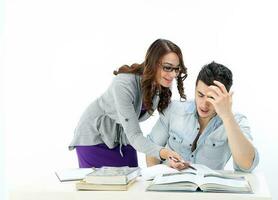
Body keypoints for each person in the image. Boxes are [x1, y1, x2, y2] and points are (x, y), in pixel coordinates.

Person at [69, 39, 188, 168]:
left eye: (176, 69)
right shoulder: (123, 84)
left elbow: (167, 122)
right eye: (167, 67)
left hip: (123, 138)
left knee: (134, 182)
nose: (172, 74)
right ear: (153, 63)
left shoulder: (162, 84)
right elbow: (135, 135)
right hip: (94, 138)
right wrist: (164, 153)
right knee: (101, 186)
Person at [146, 61, 259, 172]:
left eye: (212, 98)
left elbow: (247, 165)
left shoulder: (236, 121)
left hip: (209, 189)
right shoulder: (173, 110)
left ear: (225, 97)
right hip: (171, 186)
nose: (204, 104)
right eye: (200, 95)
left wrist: (227, 116)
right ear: (195, 89)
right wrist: (159, 174)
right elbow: (151, 150)